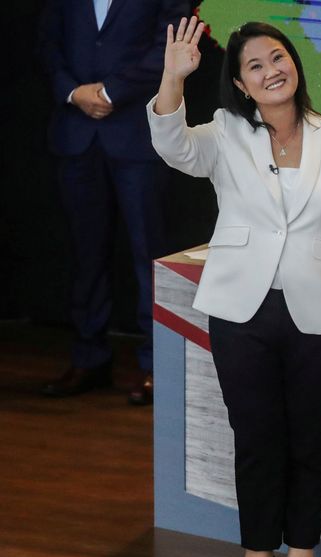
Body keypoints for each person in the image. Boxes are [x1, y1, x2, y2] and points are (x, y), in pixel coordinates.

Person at [148, 17, 321, 557]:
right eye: (255, 65)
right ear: (241, 83)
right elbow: (173, 148)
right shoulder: (227, 132)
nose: (271, 71)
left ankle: (301, 556)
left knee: (307, 439)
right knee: (255, 438)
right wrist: (172, 80)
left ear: (295, 65)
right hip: (239, 309)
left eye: (278, 58)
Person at [38, 0, 189, 405]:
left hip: (137, 132)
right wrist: (72, 91)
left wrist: (110, 91)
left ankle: (159, 365)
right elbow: (48, 41)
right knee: (85, 255)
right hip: (76, 132)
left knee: (149, 255)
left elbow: (169, 43)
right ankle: (89, 358)